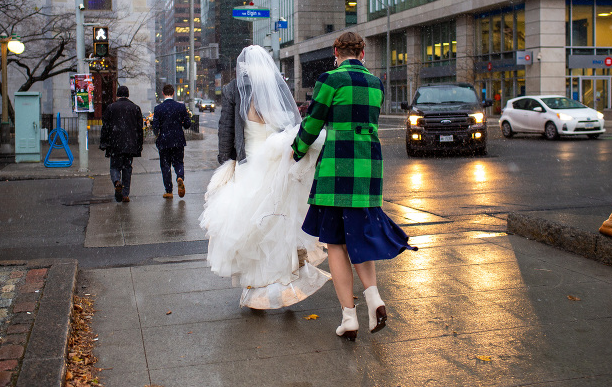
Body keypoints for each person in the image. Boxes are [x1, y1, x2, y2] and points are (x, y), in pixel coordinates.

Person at [291, 31, 417, 341]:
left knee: (335, 243)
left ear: (336, 50)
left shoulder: (330, 79)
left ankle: (349, 317)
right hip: (368, 168)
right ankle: (374, 300)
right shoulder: (376, 84)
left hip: (338, 167)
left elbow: (313, 122)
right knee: (358, 236)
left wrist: (296, 150)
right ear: (362, 54)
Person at [200, 45, 330, 309]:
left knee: (251, 231)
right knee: (278, 224)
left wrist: (225, 161)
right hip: (275, 165)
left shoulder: (233, 89)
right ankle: (288, 276)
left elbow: (226, 130)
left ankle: (256, 289)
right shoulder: (276, 88)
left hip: (249, 166)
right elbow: (292, 126)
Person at [100, 85, 144, 203]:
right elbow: (139, 129)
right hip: (130, 144)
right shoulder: (135, 108)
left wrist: (104, 142)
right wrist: (139, 145)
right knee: (127, 168)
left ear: (117, 95)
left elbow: (105, 127)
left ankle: (116, 181)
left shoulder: (111, 108)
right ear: (128, 94)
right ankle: (125, 194)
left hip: (115, 144)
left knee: (114, 167)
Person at [152, 84, 192, 199]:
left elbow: (155, 126)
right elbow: (188, 124)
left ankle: (169, 191)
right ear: (173, 93)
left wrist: (157, 134)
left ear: (163, 93)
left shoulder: (158, 109)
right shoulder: (181, 107)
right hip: (178, 140)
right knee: (179, 162)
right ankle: (180, 176)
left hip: (164, 141)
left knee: (165, 166)